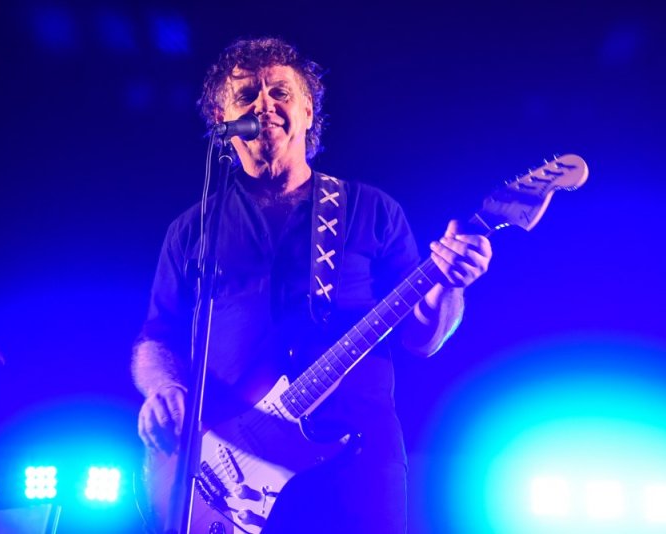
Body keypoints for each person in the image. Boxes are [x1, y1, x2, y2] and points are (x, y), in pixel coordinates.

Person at [131, 36, 492, 533]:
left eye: (280, 92)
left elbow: (422, 339)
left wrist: (448, 286)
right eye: (247, 96)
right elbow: (156, 338)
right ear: (221, 118)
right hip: (227, 474)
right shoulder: (192, 230)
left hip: (354, 464)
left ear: (307, 111)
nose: (264, 105)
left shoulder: (372, 211)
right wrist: (164, 387)